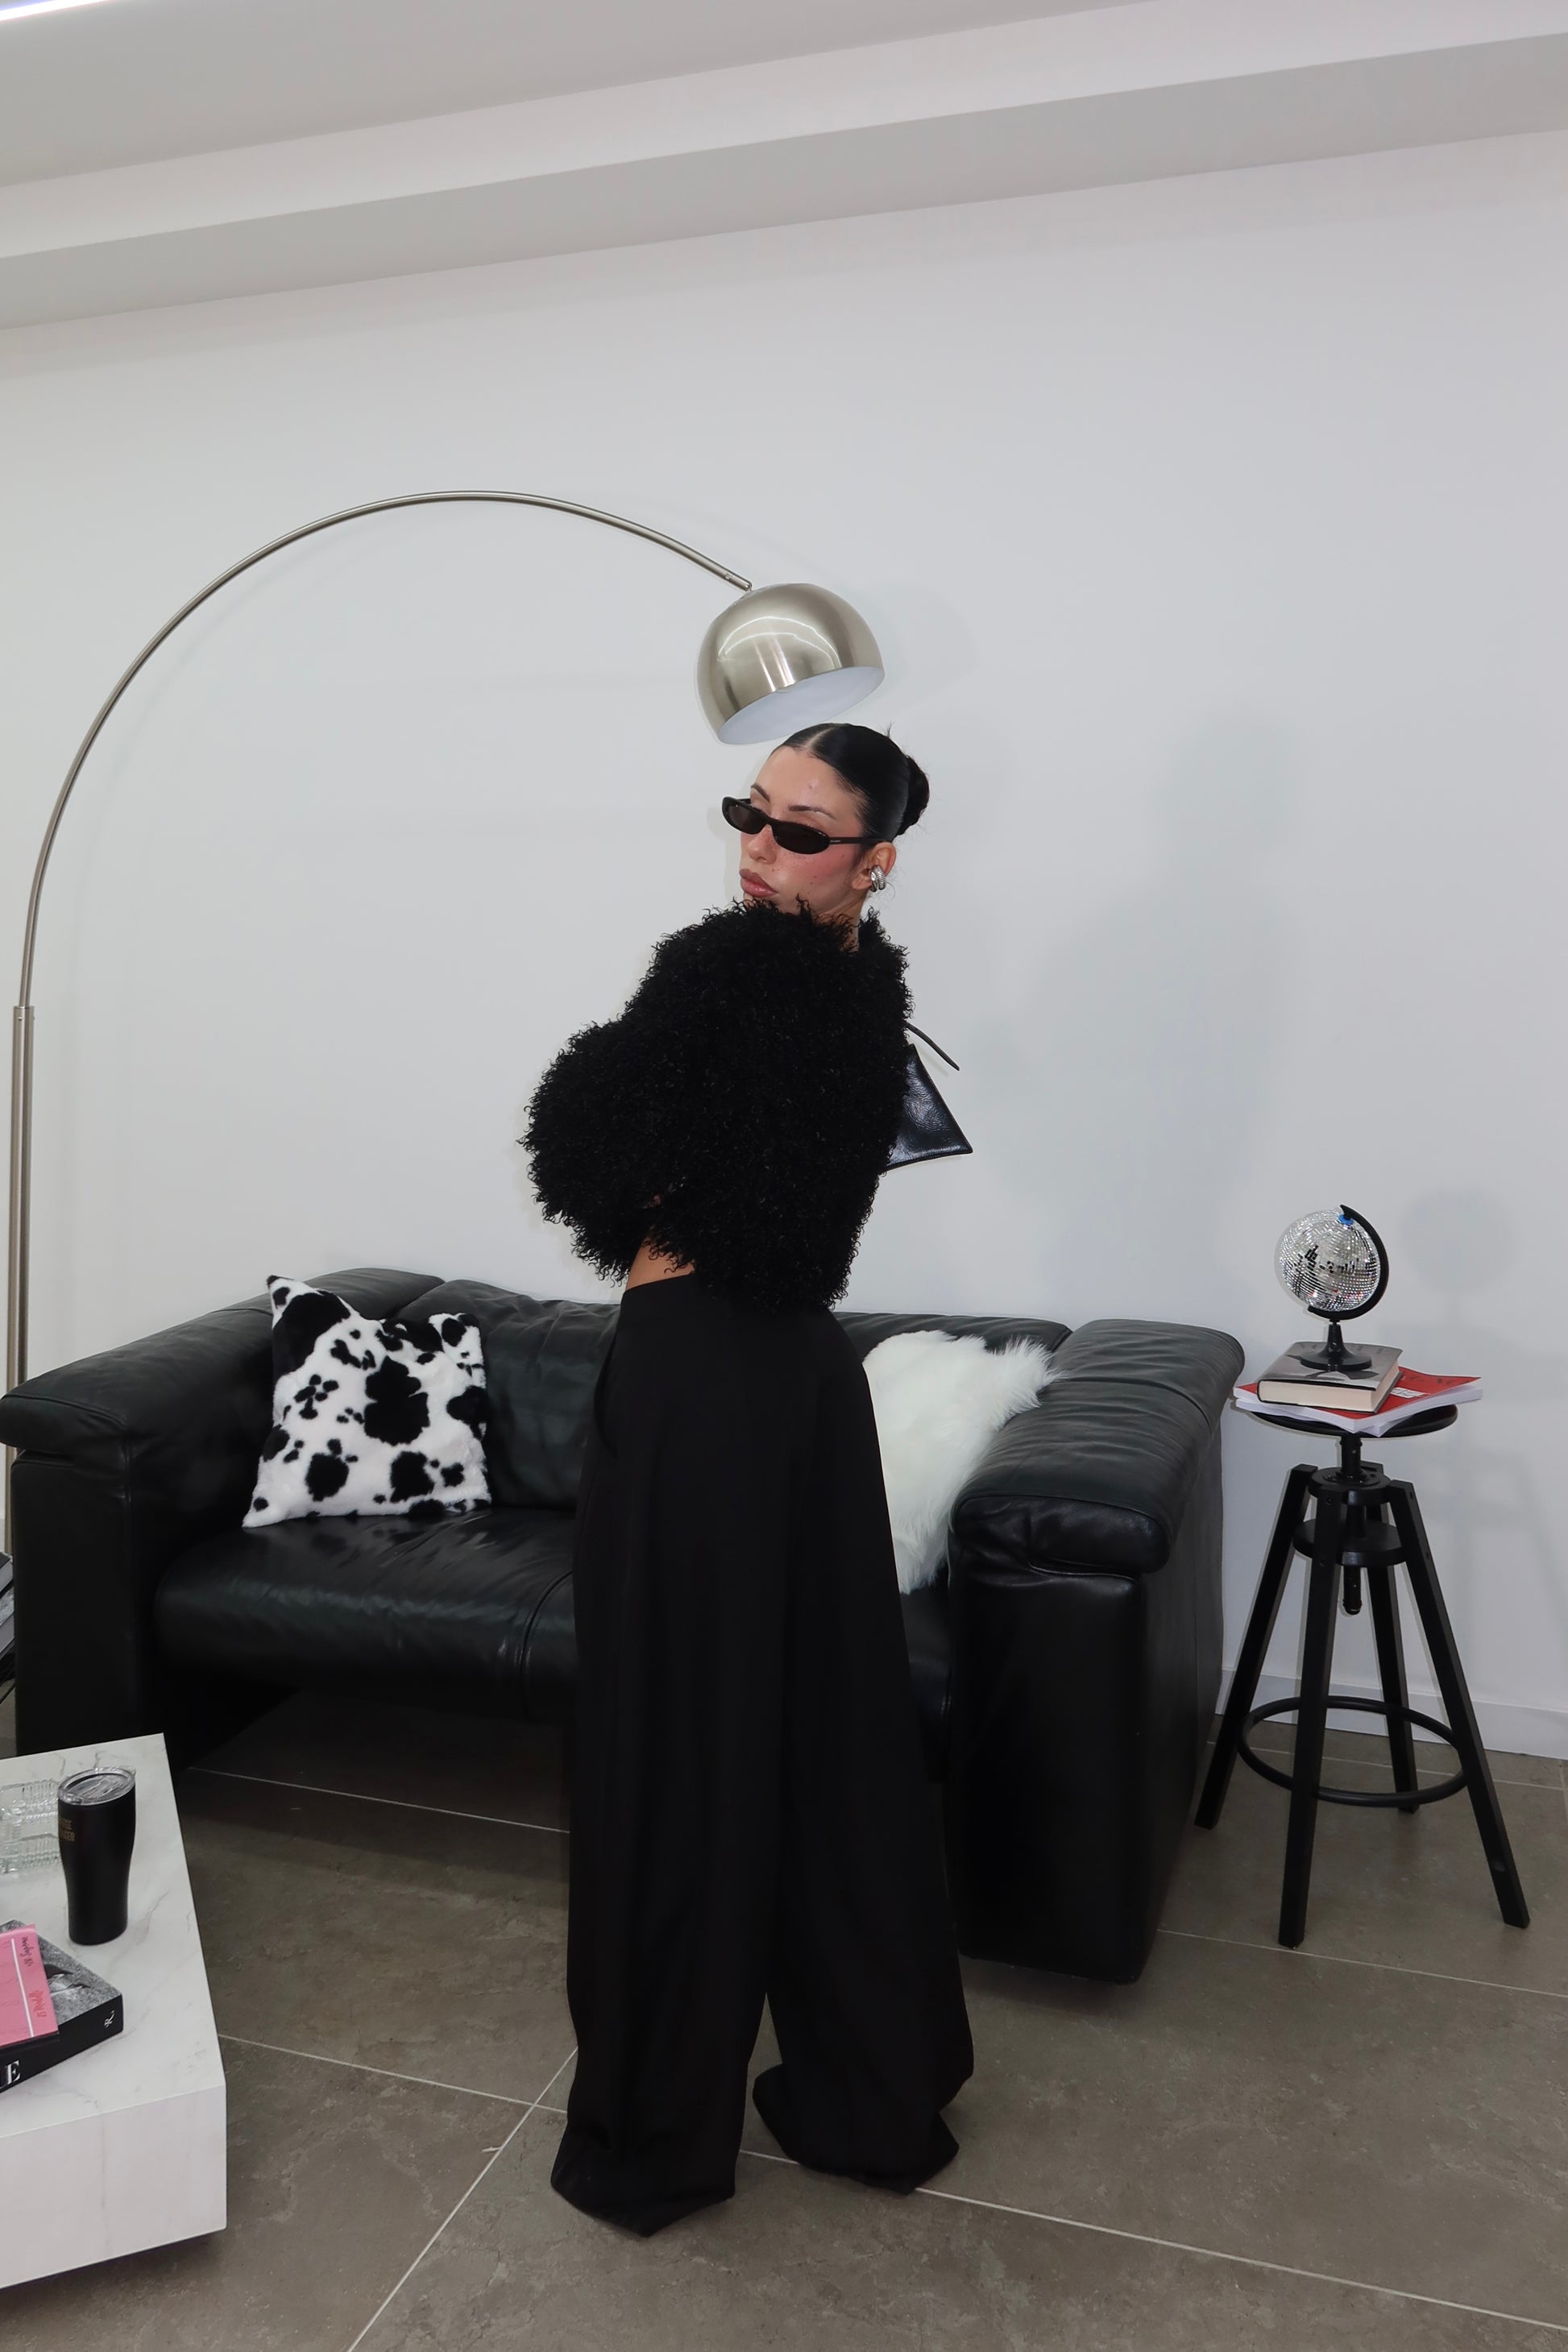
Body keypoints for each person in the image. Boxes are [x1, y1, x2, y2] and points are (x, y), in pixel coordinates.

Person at [522, 721, 973, 2237]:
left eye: (801, 830)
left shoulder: (724, 971)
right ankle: (869, 2092)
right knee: (829, 1747)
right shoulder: (869, 992)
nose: (759, 850)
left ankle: (653, 2139)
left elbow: (578, 1150)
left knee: (670, 1755)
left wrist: (633, 1137)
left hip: (698, 1382)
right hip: (801, 1389)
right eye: (750, 813)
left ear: (875, 857)